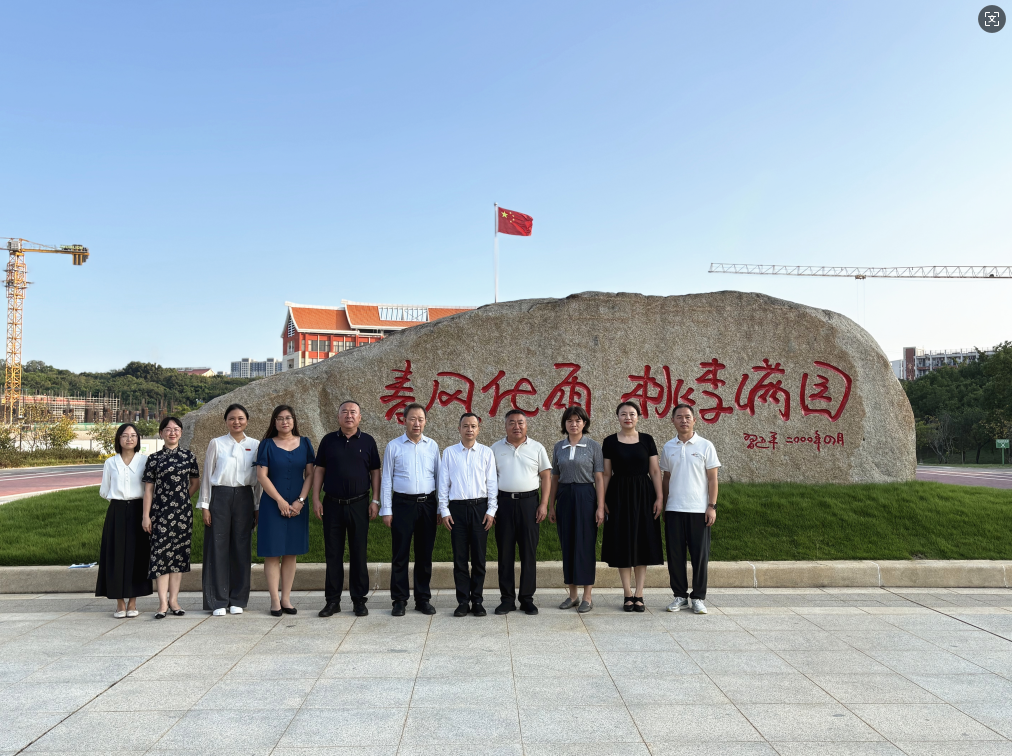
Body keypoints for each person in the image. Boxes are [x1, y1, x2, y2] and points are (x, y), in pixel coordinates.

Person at [313, 400, 380, 618]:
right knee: (333, 553)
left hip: (359, 504)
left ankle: (359, 600)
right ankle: (332, 601)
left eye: (353, 412)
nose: (349, 416)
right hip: (332, 504)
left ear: (359, 417)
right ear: (338, 416)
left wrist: (375, 500)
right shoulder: (328, 440)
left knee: (359, 553)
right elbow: (319, 470)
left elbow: (375, 472)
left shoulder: (368, 441)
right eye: (345, 412)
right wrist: (316, 498)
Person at [601, 402, 664, 613]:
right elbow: (606, 474)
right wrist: (602, 500)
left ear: (638, 416)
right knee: (622, 541)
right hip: (618, 494)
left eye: (632, 414)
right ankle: (627, 593)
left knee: (642, 541)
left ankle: (640, 593)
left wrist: (659, 497)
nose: (628, 417)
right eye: (623, 414)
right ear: (617, 417)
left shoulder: (647, 440)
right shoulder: (610, 441)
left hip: (644, 495)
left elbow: (655, 471)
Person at [198, 403, 260, 617]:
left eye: (241, 418)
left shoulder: (255, 445)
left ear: (247, 421)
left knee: (242, 548)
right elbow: (207, 476)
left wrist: (257, 506)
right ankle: (218, 600)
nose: (236, 422)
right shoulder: (216, 443)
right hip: (220, 496)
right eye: (232, 418)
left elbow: (259, 480)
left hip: (244, 497)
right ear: (226, 421)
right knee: (217, 547)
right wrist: (205, 505)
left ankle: (238, 599)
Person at [380, 403, 440, 616]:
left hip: (427, 504)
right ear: (404, 420)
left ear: (425, 422)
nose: (417, 423)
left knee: (424, 554)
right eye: (412, 419)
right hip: (402, 504)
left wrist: (440, 508)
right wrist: (386, 509)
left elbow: (439, 478)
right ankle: (399, 600)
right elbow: (386, 479)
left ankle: (423, 599)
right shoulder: (394, 446)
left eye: (420, 419)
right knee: (400, 553)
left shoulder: (432, 446)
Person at [660, 403, 721, 615]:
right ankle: (679, 596)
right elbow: (666, 478)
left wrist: (711, 506)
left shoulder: (705, 446)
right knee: (675, 556)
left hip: (698, 510)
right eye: (679, 417)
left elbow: (713, 479)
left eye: (687, 417)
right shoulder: (668, 447)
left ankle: (698, 598)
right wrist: (665, 505)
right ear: (673, 421)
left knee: (699, 557)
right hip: (674, 509)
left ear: (694, 420)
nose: (683, 420)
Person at [490, 409, 551, 616]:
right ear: (505, 425)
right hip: (504, 504)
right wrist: (492, 508)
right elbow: (489, 480)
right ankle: (507, 599)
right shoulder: (495, 448)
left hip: (529, 504)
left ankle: (527, 599)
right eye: (512, 422)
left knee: (528, 552)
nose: (516, 426)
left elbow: (546, 476)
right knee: (505, 553)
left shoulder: (537, 447)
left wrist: (543, 504)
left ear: (526, 425)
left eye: (520, 422)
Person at [256, 405, 315, 617]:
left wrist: (301, 501)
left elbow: (310, 474)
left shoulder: (305, 443)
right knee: (272, 553)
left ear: (294, 420)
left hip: (298, 505)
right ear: (274, 422)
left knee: (291, 552)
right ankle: (274, 600)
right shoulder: (266, 444)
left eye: (288, 418)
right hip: (272, 505)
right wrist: (280, 501)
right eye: (280, 418)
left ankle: (286, 598)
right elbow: (262, 476)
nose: (284, 422)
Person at [438, 412, 497, 618]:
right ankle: (463, 601)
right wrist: (444, 510)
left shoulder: (486, 452)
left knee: (479, 558)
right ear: (459, 429)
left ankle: (477, 600)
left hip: (480, 509)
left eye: (473, 426)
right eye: (465, 426)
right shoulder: (449, 452)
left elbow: (492, 484)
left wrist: (491, 510)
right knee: (460, 558)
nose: (469, 429)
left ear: (478, 429)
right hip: (457, 510)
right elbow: (443, 484)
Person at [142, 417, 200, 620]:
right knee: (160, 556)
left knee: (178, 556)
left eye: (176, 429)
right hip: (159, 513)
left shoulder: (188, 456)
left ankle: (174, 601)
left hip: (182, 514)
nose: (172, 432)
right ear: (161, 433)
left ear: (181, 433)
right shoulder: (154, 459)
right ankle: (162, 603)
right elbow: (148, 489)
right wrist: (146, 516)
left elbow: (195, 482)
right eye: (167, 429)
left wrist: (183, 499)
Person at [548, 406, 605, 613]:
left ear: (584, 423)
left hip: (586, 495)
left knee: (586, 545)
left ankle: (587, 597)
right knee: (568, 544)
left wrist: (600, 506)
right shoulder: (559, 447)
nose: (574, 424)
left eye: (578, 420)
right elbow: (555, 477)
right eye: (570, 420)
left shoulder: (593, 446)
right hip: (564, 496)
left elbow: (599, 478)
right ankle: (572, 595)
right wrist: (551, 505)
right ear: (564, 423)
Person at [95, 423, 151, 617]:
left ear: (138, 439)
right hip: (117, 511)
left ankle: (133, 602)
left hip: (139, 510)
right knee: (116, 554)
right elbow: (104, 490)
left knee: (137, 555)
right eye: (125, 435)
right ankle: (119, 603)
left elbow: (150, 489)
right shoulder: (111, 463)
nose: (129, 439)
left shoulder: (145, 461)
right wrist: (120, 502)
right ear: (118, 439)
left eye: (133, 435)